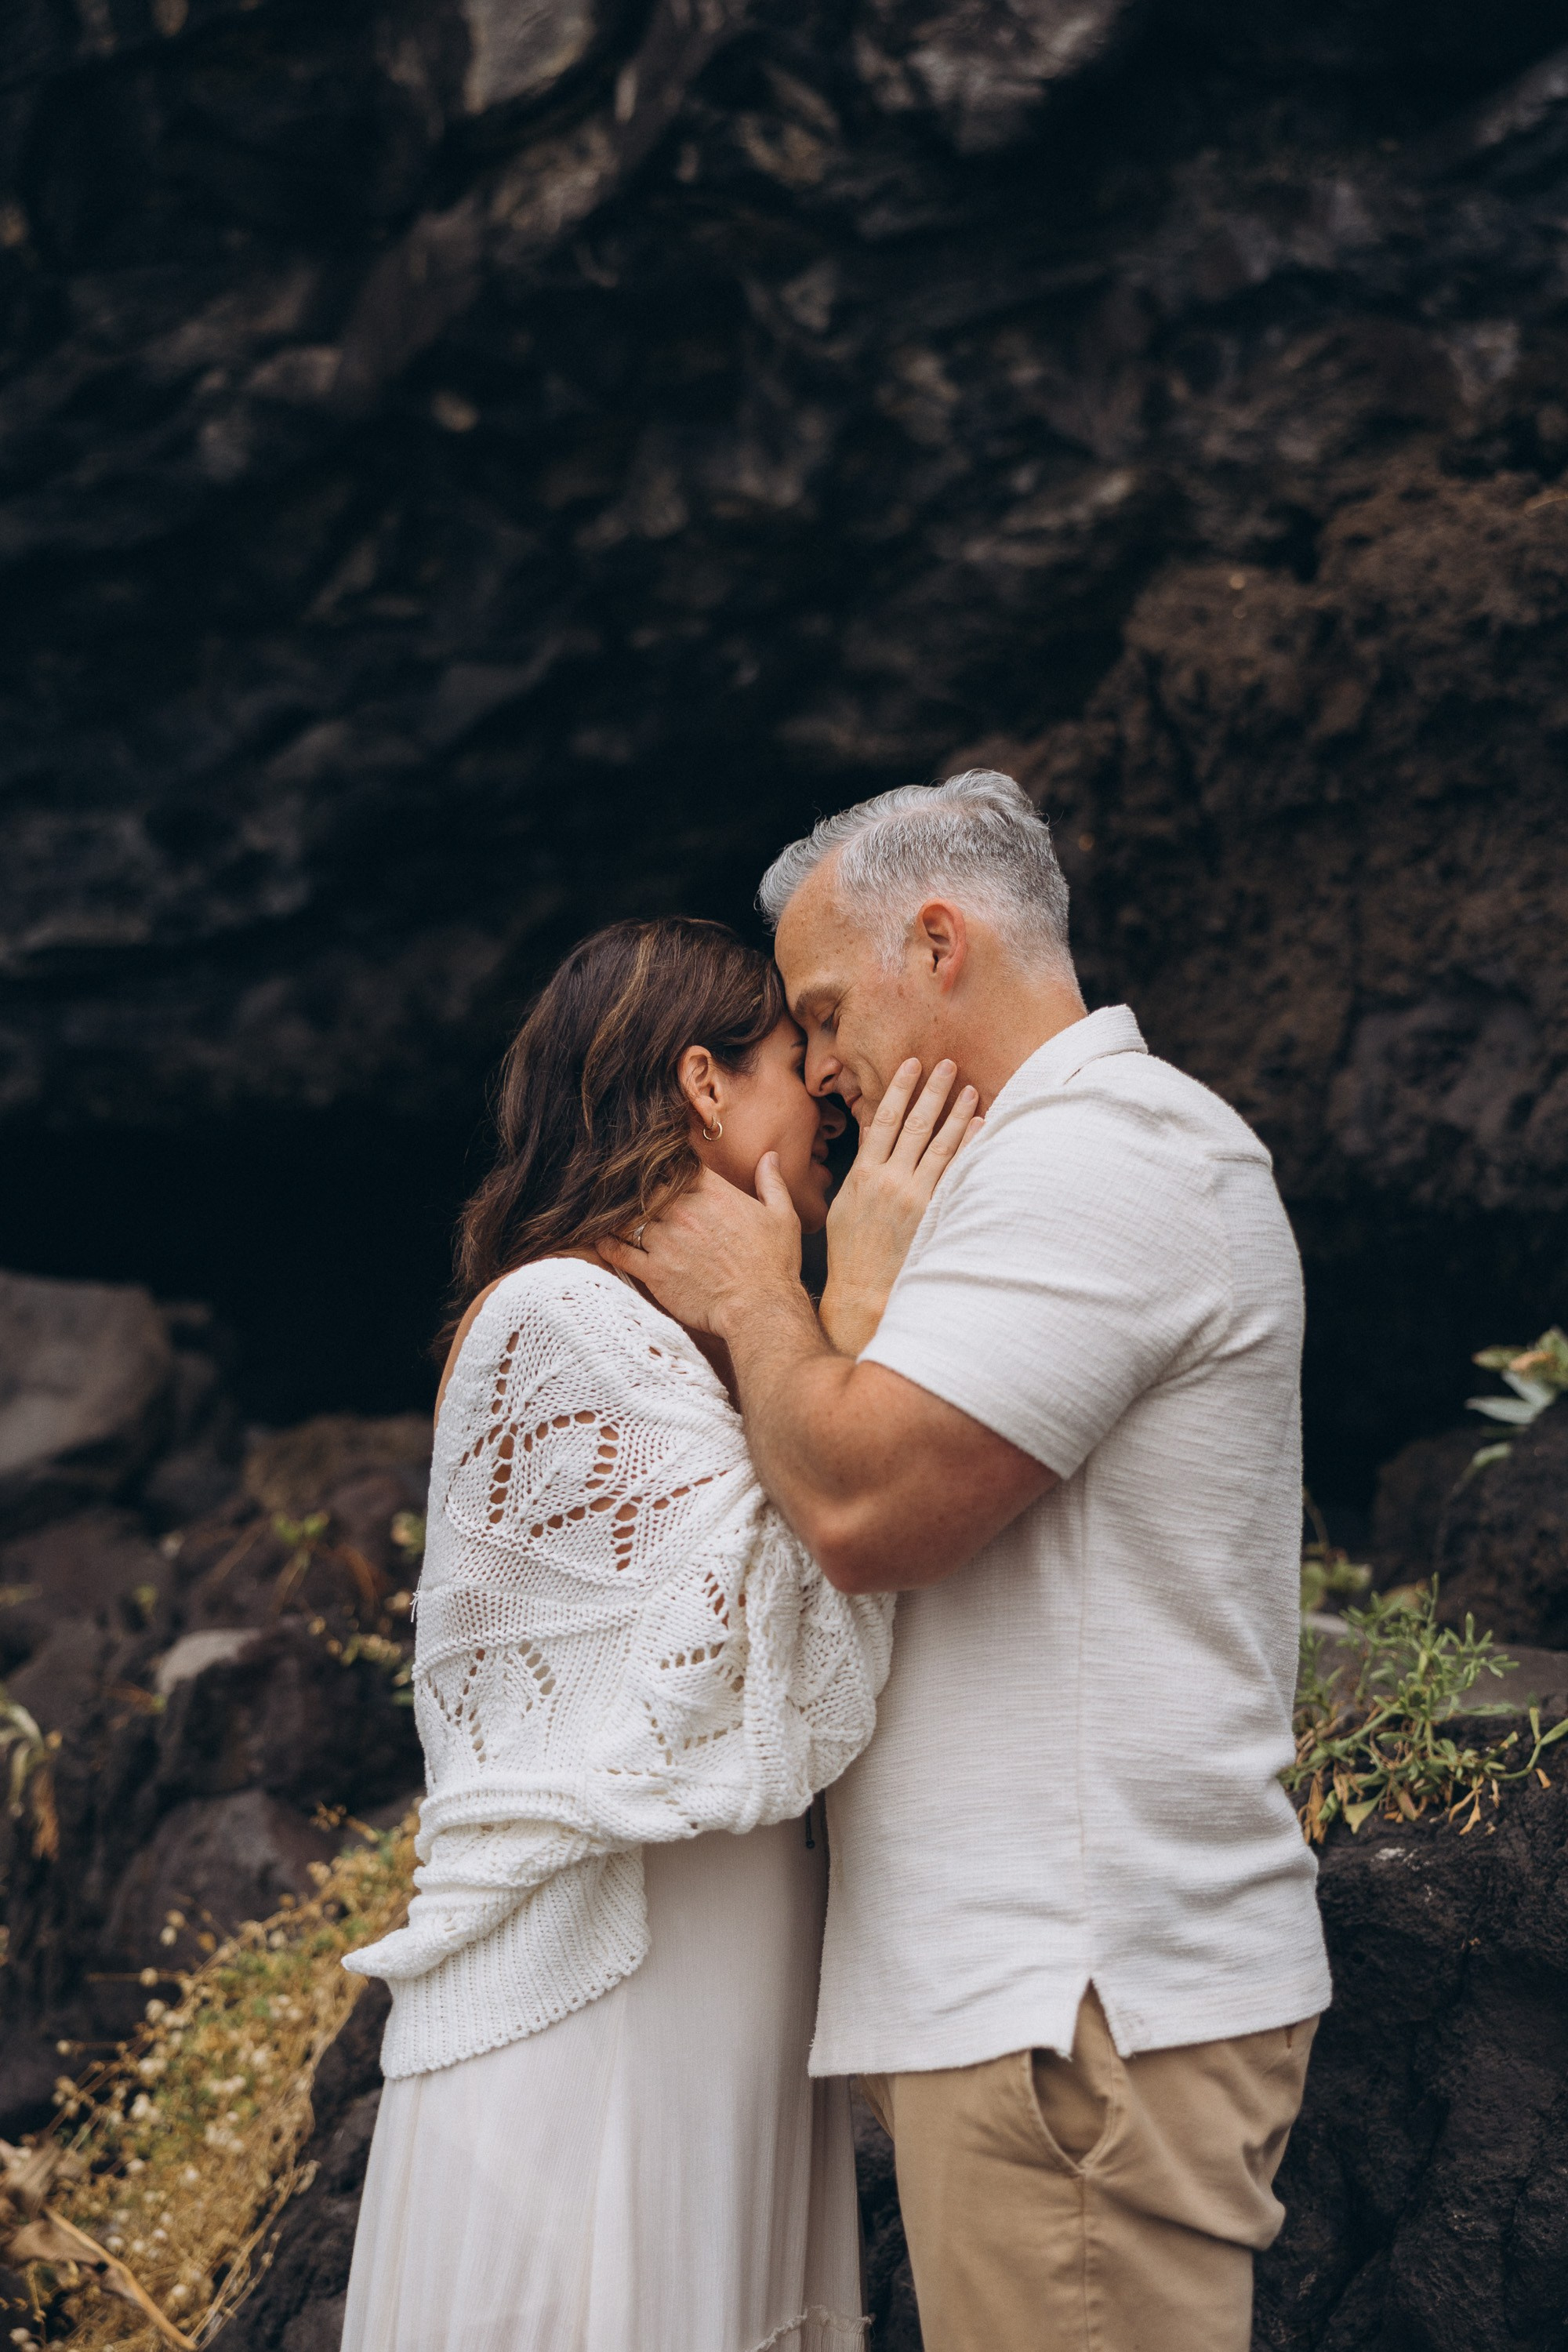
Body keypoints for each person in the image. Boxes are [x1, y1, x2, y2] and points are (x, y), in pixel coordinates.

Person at [607, 772, 1334, 2352]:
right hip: (1044, 2002)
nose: (810, 1068)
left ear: (937, 941)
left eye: (817, 1009)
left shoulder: (1108, 1158)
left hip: (1070, 2004)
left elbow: (869, 1513)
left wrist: (759, 1298)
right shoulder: (1028, 1175)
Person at [339, 915, 975, 2352]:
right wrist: (855, 1299)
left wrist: (793, 1318)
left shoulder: (689, 1327)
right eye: (787, 1055)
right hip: (605, 2008)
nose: (827, 1088)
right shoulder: (561, 1316)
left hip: (711, 1985)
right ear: (701, 1083)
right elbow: (784, 1616)